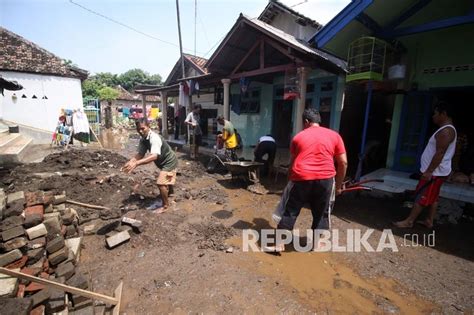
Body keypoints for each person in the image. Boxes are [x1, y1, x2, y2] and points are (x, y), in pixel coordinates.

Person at [270, 108, 347, 252]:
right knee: (321, 212)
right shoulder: (335, 136)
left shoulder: (298, 137)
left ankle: (279, 244)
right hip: (326, 180)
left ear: (306, 121)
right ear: (319, 121)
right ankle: (317, 244)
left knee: (290, 211)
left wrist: (289, 182)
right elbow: (343, 163)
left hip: (301, 178)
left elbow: (292, 164)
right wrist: (338, 186)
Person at [394, 102, 457, 228]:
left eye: (435, 113)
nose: (433, 116)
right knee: (433, 196)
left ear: (443, 114)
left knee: (421, 195)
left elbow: (439, 153)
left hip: (434, 172)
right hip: (438, 172)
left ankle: (409, 221)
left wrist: (429, 172)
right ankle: (429, 220)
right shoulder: (446, 130)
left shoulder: (446, 131)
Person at [122, 118, 178, 214]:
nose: (140, 131)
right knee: (166, 178)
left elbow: (154, 156)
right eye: (138, 129)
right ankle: (171, 193)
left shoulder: (154, 138)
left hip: (169, 162)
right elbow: (140, 154)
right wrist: (131, 161)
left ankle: (165, 206)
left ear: (149, 127)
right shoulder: (143, 139)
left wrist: (136, 163)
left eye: (143, 128)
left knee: (160, 183)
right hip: (162, 162)